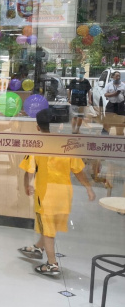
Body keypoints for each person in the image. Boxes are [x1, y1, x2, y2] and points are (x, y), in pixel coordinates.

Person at [18, 109, 96, 276]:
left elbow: (28, 171)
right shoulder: (67, 145)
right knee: (50, 225)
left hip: (45, 195)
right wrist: (88, 188)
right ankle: (38, 247)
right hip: (64, 195)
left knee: (47, 229)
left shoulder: (37, 145)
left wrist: (26, 185)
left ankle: (52, 264)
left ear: (37, 127)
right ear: (59, 126)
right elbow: (78, 171)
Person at [67, 68, 92, 134]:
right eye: (80, 73)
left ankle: (77, 129)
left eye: (82, 73)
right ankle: (73, 129)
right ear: (77, 73)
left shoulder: (86, 81)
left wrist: (90, 99)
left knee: (80, 117)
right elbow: (69, 90)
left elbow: (89, 91)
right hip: (74, 101)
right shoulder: (73, 81)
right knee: (74, 116)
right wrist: (69, 98)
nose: (81, 74)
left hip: (82, 101)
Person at [101, 71, 125, 135]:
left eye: (119, 76)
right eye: (116, 76)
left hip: (120, 105)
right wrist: (114, 94)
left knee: (121, 120)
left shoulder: (123, 85)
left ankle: (119, 134)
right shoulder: (109, 85)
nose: (118, 77)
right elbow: (105, 94)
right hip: (111, 104)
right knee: (108, 119)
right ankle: (105, 134)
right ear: (113, 77)